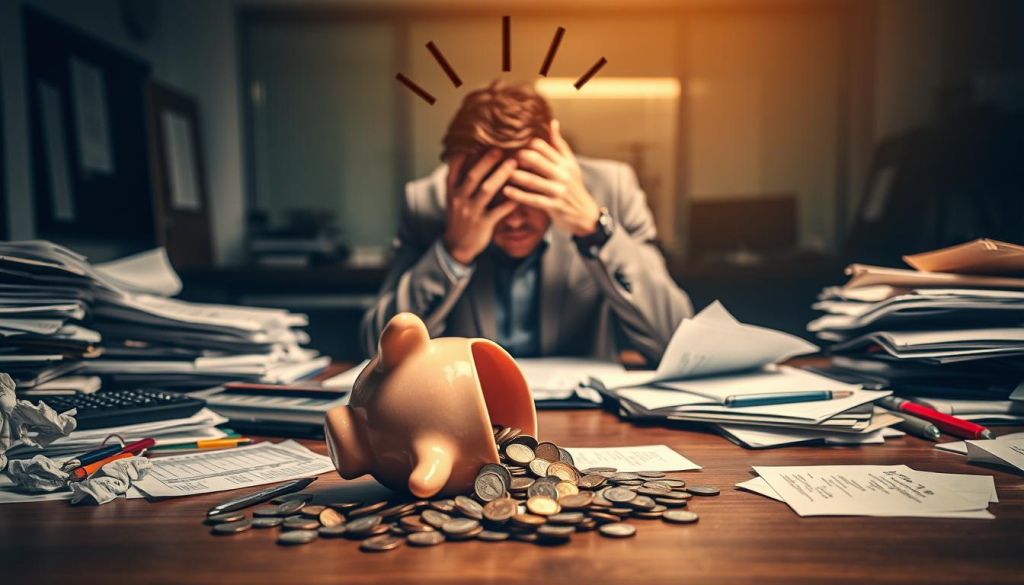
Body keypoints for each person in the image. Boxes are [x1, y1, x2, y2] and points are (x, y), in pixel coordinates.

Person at [361, 80, 692, 363]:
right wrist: (453, 252)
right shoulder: (427, 202)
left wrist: (595, 230)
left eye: (530, 193)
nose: (515, 219)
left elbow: (679, 344)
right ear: (457, 181)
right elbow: (375, 350)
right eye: (495, 198)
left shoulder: (611, 190)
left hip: (586, 418)